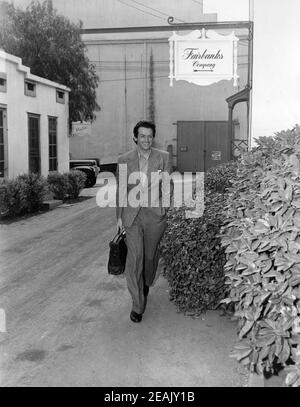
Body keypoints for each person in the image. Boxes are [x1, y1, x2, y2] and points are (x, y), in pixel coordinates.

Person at [116, 120, 172, 323]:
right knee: (134, 258)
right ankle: (137, 305)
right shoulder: (124, 159)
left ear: (152, 138)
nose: (146, 140)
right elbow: (121, 189)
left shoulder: (163, 157)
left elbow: (167, 184)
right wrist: (119, 217)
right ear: (135, 138)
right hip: (132, 216)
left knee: (149, 256)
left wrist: (165, 207)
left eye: (149, 136)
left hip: (155, 215)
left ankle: (147, 281)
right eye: (142, 136)